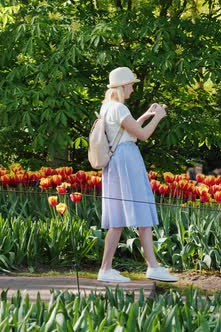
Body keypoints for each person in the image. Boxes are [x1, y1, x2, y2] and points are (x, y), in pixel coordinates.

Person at [97, 67, 177, 283]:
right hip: (127, 159)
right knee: (141, 208)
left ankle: (105, 269)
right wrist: (158, 117)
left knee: (117, 217)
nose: (133, 88)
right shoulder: (120, 109)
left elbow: (125, 130)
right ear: (123, 86)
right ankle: (152, 266)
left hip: (114, 162)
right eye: (131, 84)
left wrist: (145, 115)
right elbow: (141, 135)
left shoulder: (107, 107)